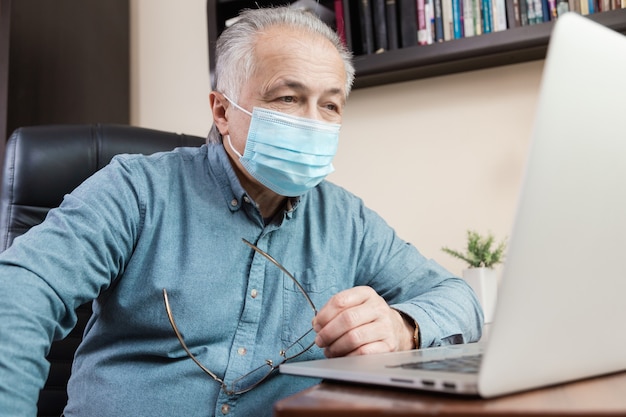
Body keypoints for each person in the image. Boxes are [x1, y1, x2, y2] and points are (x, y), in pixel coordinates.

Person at [0, 6, 483, 417]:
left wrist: (404, 328)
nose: (312, 122)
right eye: (288, 98)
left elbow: (458, 297)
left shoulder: (346, 219)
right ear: (222, 110)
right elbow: (19, 297)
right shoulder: (136, 189)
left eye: (330, 106)